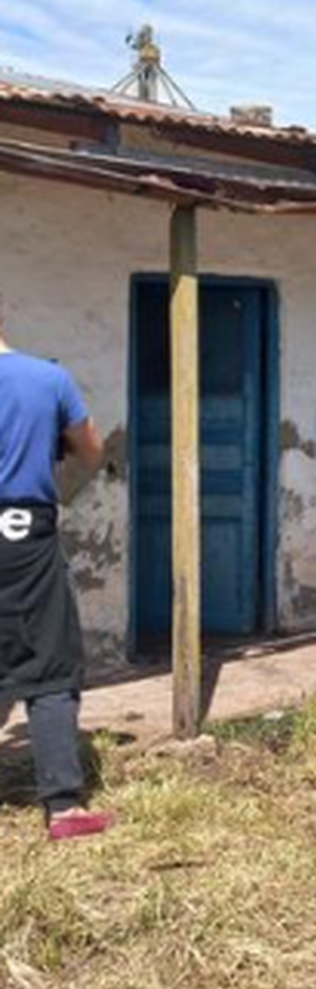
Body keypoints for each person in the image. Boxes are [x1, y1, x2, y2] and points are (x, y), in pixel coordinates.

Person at [0, 307, 113, 841]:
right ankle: (64, 806)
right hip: (23, 535)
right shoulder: (48, 379)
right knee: (48, 662)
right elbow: (91, 449)